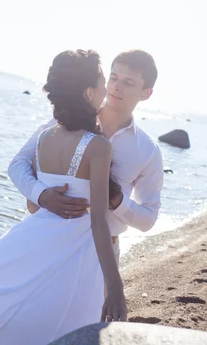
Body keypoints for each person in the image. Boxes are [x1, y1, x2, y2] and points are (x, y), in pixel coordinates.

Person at [0, 50, 126, 345]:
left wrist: (41, 198)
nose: (107, 89)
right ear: (89, 92)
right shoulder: (99, 146)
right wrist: (115, 285)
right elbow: (98, 221)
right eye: (104, 81)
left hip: (34, 240)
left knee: (20, 310)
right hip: (76, 253)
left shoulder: (44, 138)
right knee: (70, 325)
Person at [9, 49, 164, 264]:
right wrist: (41, 194)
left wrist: (117, 200)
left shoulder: (148, 151)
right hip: (50, 243)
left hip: (101, 258)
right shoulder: (65, 121)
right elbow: (18, 164)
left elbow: (148, 219)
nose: (116, 87)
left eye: (128, 82)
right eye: (114, 77)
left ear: (146, 93)